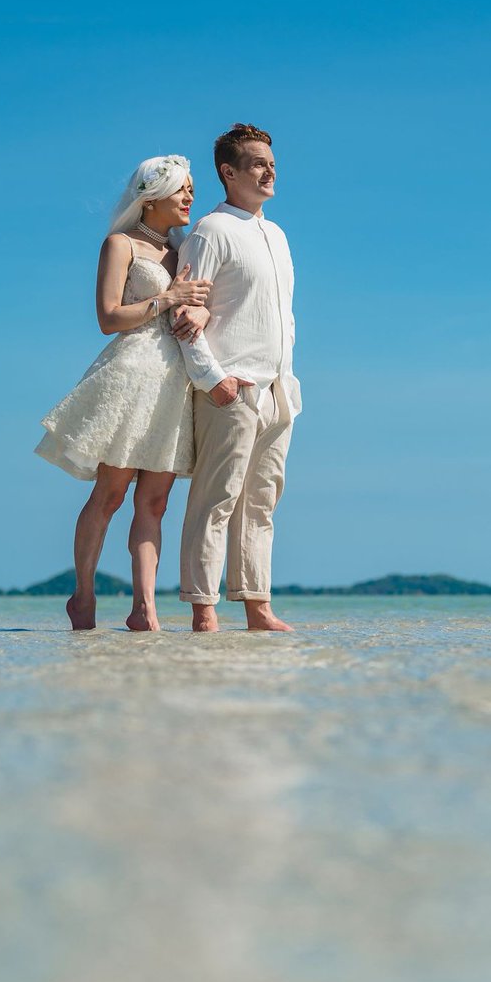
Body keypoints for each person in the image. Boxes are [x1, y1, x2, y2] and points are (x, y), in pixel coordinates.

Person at [36, 155, 213, 631]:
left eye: (192, 188)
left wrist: (198, 309)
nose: (190, 196)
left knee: (155, 503)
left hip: (175, 383)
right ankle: (83, 595)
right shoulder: (120, 244)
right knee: (111, 492)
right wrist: (168, 298)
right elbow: (108, 318)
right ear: (151, 197)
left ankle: (144, 609)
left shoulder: (186, 250)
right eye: (182, 188)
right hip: (132, 374)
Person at [177, 123, 303, 632]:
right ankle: (203, 610)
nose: (269, 172)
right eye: (257, 164)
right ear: (228, 173)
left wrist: (286, 382)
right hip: (230, 388)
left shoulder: (277, 234)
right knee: (216, 500)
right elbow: (184, 315)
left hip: (278, 389)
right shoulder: (210, 230)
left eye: (272, 163)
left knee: (262, 503)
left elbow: (283, 315)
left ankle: (257, 606)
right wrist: (213, 379)